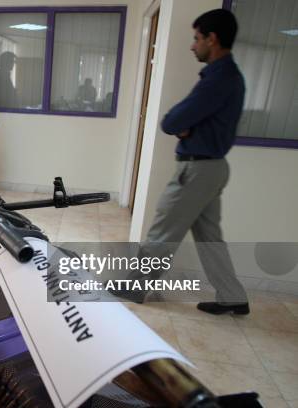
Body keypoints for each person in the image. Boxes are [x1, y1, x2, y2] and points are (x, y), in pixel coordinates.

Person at [113, 9, 249, 315]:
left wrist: (182, 125)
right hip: (212, 168)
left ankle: (134, 286)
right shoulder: (230, 76)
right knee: (210, 238)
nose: (192, 45)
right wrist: (186, 125)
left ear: (212, 39)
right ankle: (232, 296)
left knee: (163, 230)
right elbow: (184, 121)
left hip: (197, 169)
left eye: (196, 38)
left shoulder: (218, 78)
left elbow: (172, 120)